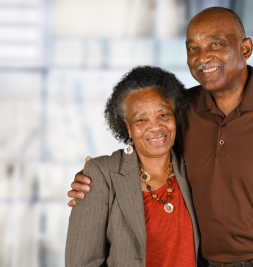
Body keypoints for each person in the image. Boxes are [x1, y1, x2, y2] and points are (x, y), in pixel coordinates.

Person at [68, 7, 253, 267]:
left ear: (246, 48)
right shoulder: (182, 110)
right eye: (193, 48)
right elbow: (147, 148)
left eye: (216, 44)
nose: (203, 58)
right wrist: (94, 179)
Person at [66, 66, 199, 267]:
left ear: (175, 115)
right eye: (141, 119)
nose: (155, 127)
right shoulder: (101, 174)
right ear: (127, 126)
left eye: (163, 115)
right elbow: (81, 262)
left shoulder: (192, 166)